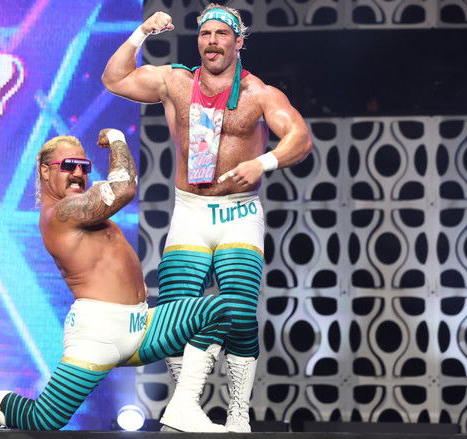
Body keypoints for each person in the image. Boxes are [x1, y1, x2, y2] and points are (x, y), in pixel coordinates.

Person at [0, 129, 242, 433]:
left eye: (83, 166)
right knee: (45, 418)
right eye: (68, 165)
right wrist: (117, 138)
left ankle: (184, 407)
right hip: (98, 333)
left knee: (217, 311)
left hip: (141, 326)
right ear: (45, 171)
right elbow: (124, 188)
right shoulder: (61, 213)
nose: (78, 173)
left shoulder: (85, 208)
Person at [101, 4, 313, 432]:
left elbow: (300, 138)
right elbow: (115, 79)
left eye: (221, 34)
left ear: (238, 42)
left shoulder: (259, 94)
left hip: (239, 213)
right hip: (190, 211)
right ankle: (187, 406)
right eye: (205, 34)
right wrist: (142, 32)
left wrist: (263, 163)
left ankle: (238, 411)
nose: (212, 41)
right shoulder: (174, 81)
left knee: (237, 311)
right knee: (176, 313)